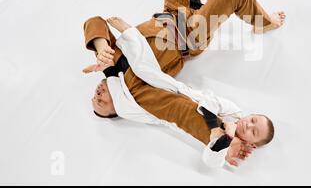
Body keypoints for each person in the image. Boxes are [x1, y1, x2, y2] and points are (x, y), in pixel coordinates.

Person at [82, 0, 285, 167]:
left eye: (94, 97)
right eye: (101, 103)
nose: (97, 94)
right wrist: (221, 140)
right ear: (117, 110)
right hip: (189, 37)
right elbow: (180, 111)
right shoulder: (139, 95)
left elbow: (94, 22)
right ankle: (263, 23)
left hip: (171, 13)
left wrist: (101, 48)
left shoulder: (109, 62)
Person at [85, 16, 274, 167]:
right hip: (168, 49)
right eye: (252, 121)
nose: (248, 125)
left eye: (253, 131)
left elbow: (211, 160)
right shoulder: (233, 111)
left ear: (252, 144)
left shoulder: (115, 71)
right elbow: (208, 104)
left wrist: (225, 138)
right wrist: (226, 129)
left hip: (159, 76)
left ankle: (259, 18)